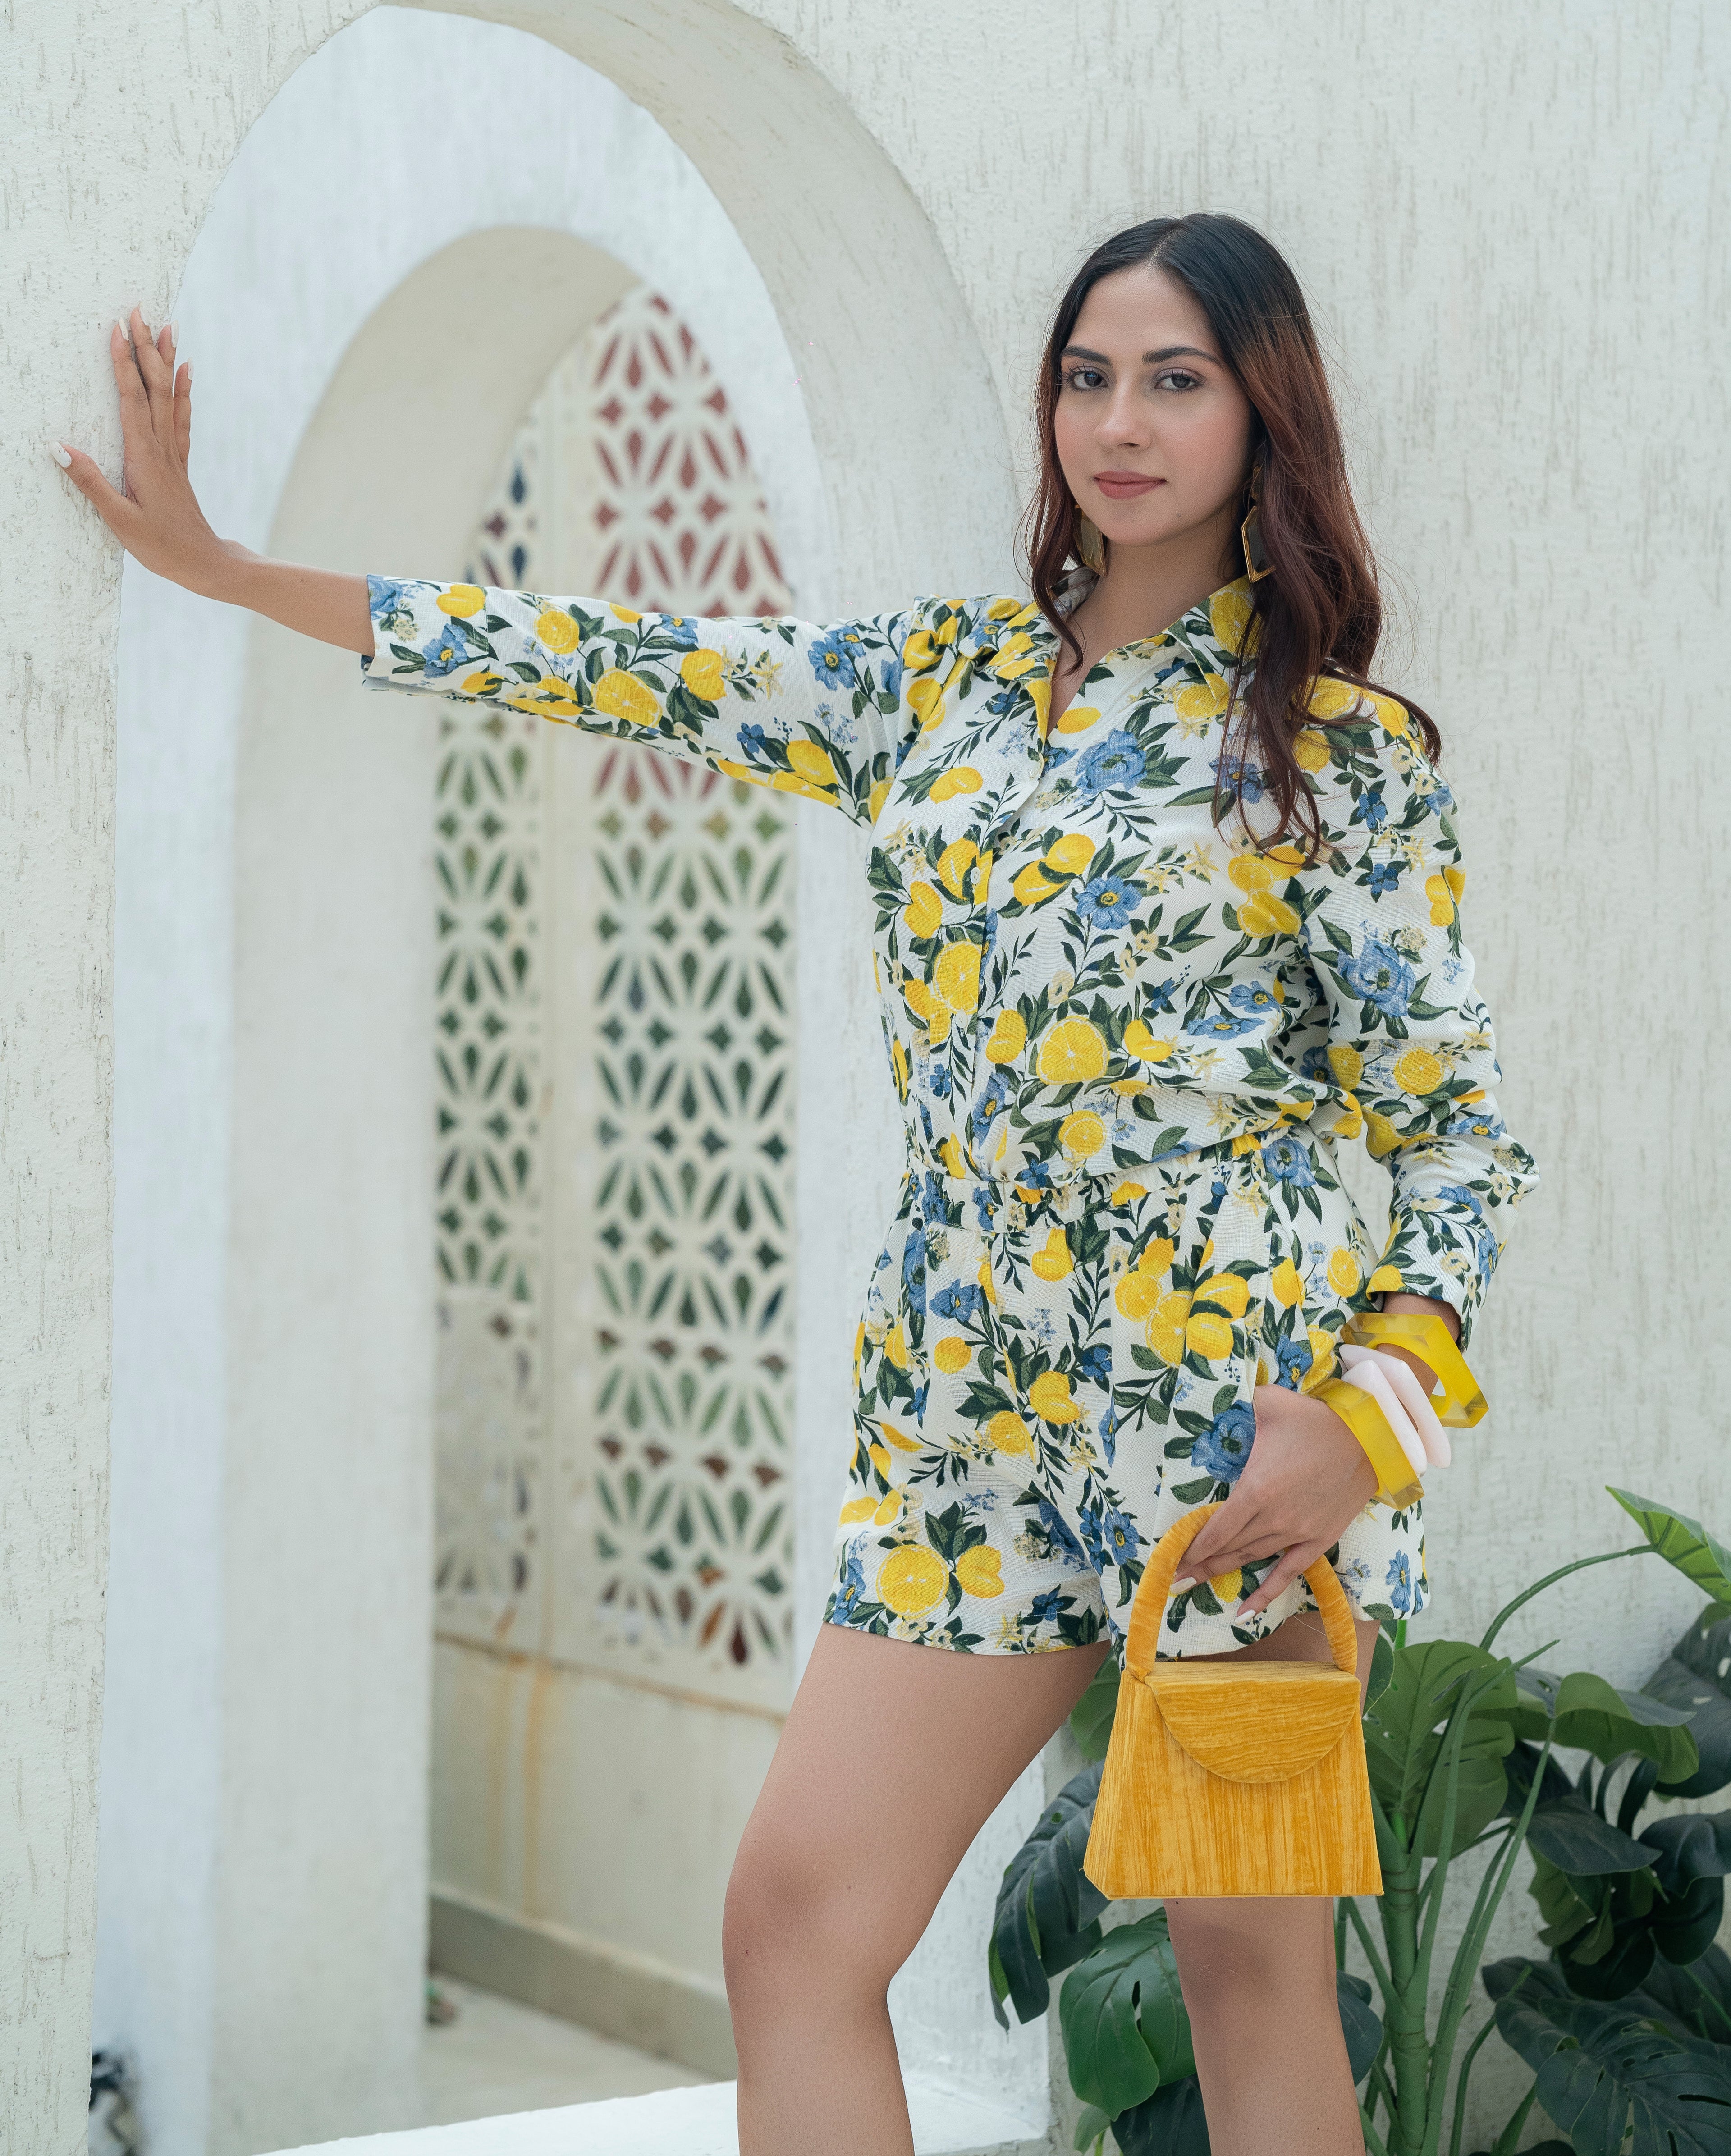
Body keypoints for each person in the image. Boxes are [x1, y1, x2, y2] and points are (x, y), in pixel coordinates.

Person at [62, 213, 1535, 2156]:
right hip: (965, 1429)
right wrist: (230, 572)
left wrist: (1366, 1429)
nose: (1122, 419)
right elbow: (611, 660)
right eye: (1088, 374)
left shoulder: (1336, 758)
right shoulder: (933, 684)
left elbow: (1458, 1149)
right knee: (795, 1928)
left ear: (1267, 414)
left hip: (1237, 1461)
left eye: (1176, 377)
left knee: (1247, 1984)